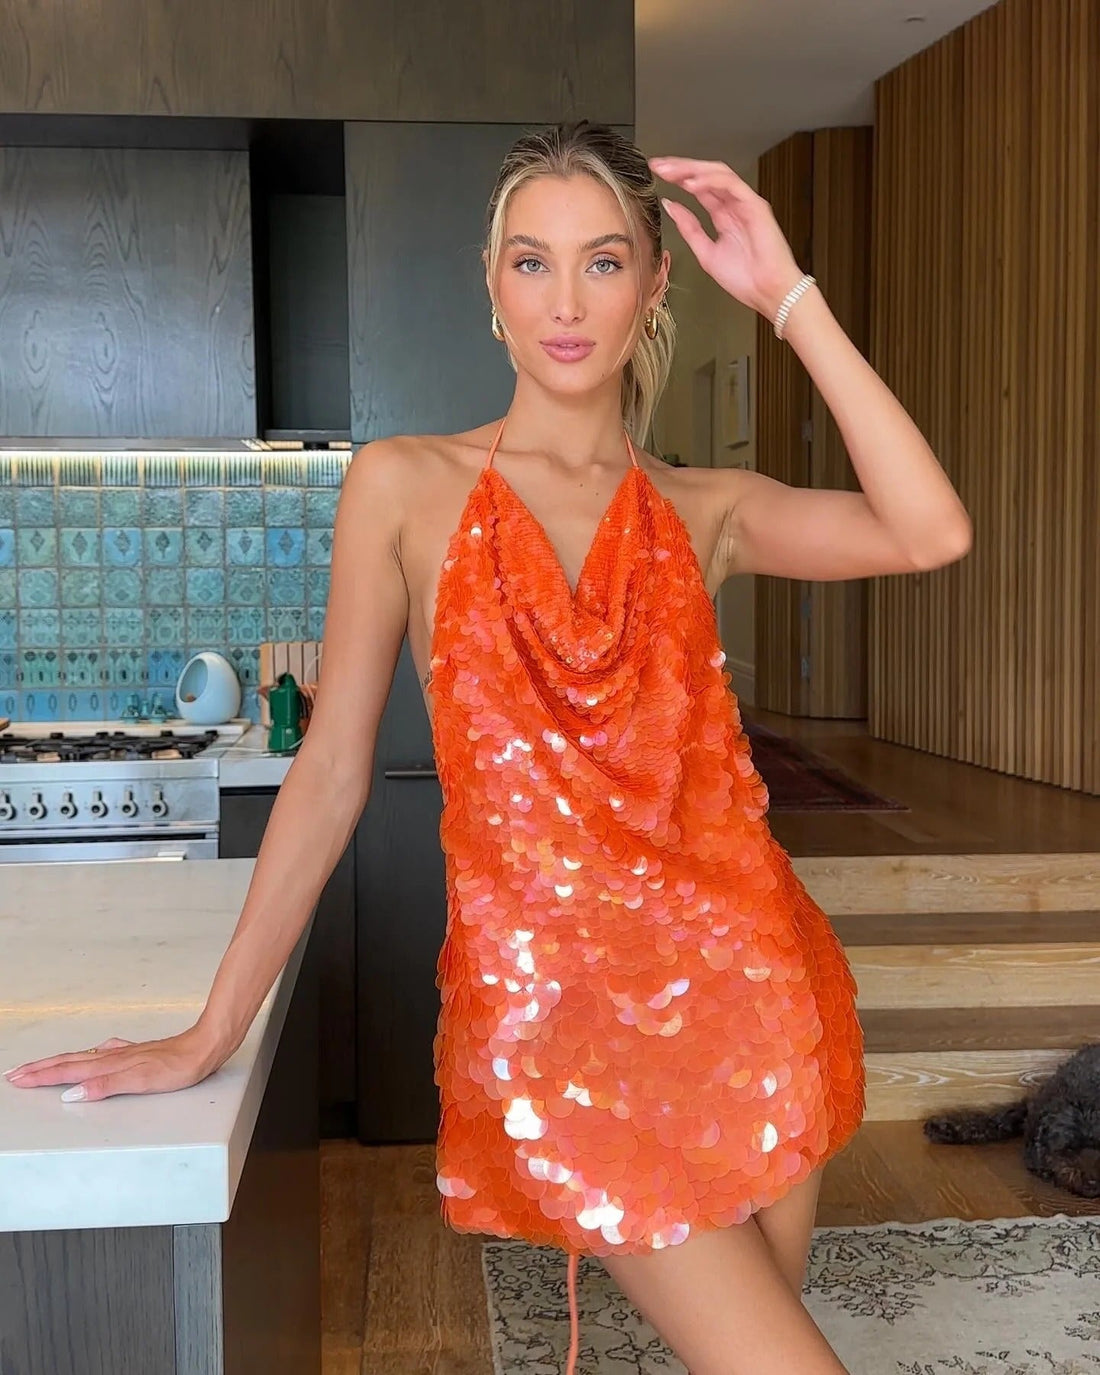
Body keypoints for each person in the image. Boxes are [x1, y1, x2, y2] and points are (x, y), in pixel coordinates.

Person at [6, 122, 972, 1374]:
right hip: (561, 1023)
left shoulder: (703, 508)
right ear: (490, 281)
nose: (565, 302)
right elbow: (333, 769)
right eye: (532, 262)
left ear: (655, 283)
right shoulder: (401, 485)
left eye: (603, 262)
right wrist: (211, 1030)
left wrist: (786, 296)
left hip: (747, 993)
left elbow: (928, 527)